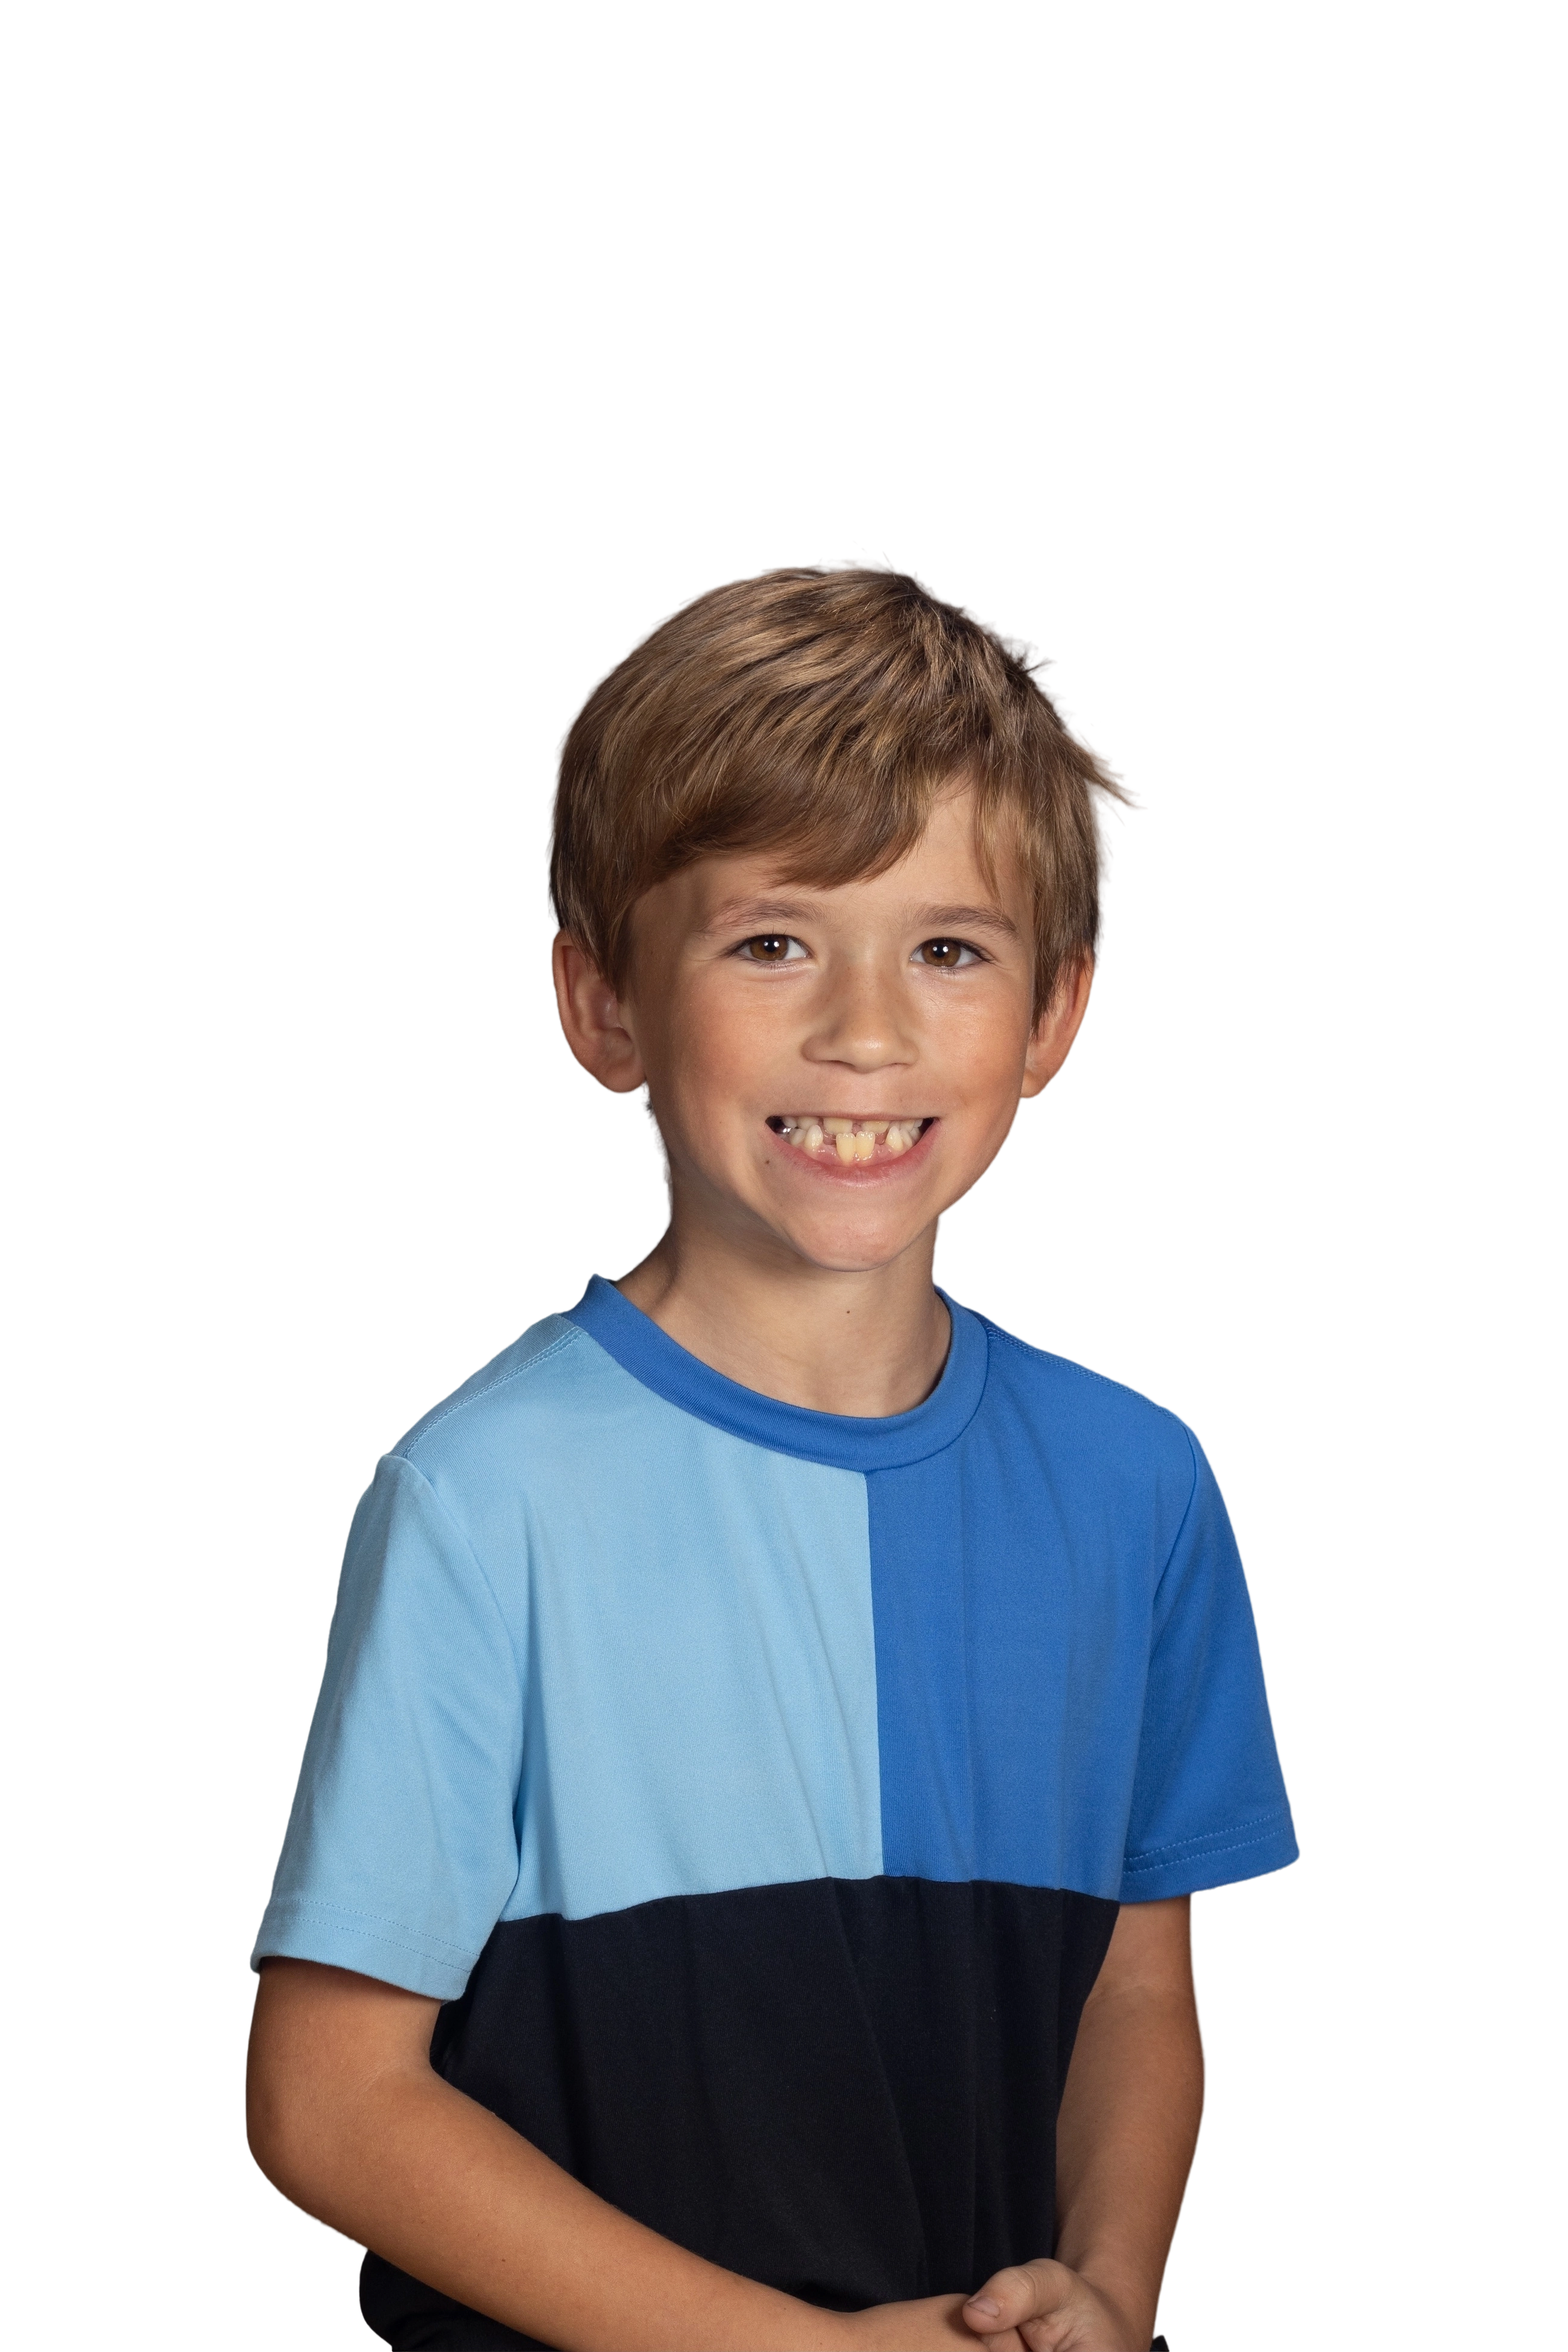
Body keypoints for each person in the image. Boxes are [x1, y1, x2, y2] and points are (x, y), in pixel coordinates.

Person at [242, 552, 1300, 2352]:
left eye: (948, 949)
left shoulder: (1137, 1485)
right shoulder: (485, 1496)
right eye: (772, 941)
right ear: (608, 1007)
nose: (865, 1030)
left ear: (1056, 1011)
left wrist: (1114, 2286)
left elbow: (1133, 1992)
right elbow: (330, 2103)